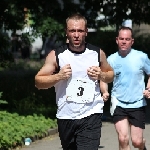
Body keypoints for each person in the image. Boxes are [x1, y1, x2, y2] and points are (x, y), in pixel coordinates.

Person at [35, 13, 114, 150]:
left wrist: (101, 75)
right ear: (66, 32)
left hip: (91, 114)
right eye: (72, 31)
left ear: (86, 32)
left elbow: (110, 75)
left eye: (80, 31)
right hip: (66, 115)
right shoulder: (57, 55)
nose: (76, 35)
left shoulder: (96, 53)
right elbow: (38, 81)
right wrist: (58, 76)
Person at [100, 26, 150, 150]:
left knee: (137, 142)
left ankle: (143, 147)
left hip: (137, 103)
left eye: (127, 39)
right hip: (118, 103)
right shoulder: (110, 60)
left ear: (132, 41)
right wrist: (105, 91)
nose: (124, 41)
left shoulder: (141, 57)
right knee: (123, 139)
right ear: (117, 40)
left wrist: (149, 88)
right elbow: (103, 78)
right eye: (121, 38)